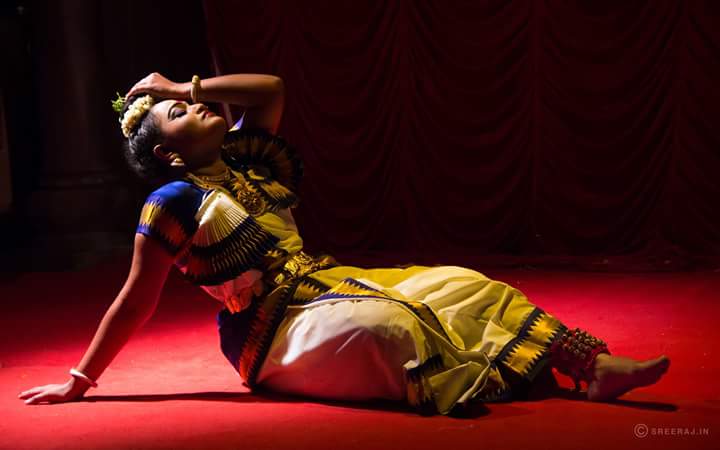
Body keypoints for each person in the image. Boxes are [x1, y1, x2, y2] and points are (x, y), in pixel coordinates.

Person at [18, 73, 670, 415]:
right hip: (272, 335)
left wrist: (177, 90)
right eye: (181, 115)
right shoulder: (172, 201)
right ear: (168, 153)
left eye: (194, 101)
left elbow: (269, 89)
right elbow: (137, 299)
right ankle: (500, 377)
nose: (198, 107)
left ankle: (591, 367)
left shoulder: (250, 163)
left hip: (329, 283)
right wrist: (81, 381)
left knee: (469, 286)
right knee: (396, 325)